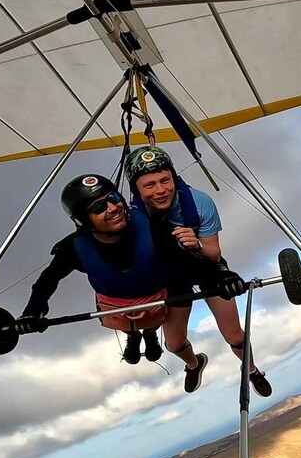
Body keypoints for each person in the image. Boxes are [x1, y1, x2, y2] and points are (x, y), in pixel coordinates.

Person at [20, 174, 246, 393]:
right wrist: (32, 311)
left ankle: (149, 336)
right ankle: (135, 338)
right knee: (128, 323)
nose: (112, 208)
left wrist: (222, 277)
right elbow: (47, 281)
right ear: (83, 220)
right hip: (116, 304)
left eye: (113, 198)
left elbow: (187, 261)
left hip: (152, 297)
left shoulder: (151, 227)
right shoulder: (74, 248)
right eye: (98, 208)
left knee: (151, 321)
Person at [126, 146, 273, 398]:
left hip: (205, 266)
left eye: (165, 180)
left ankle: (251, 370)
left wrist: (196, 244)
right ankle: (194, 363)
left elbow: (214, 253)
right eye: (150, 185)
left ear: (174, 177)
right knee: (173, 343)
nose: (160, 190)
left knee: (233, 334)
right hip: (172, 275)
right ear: (137, 190)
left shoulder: (199, 202)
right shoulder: (134, 218)